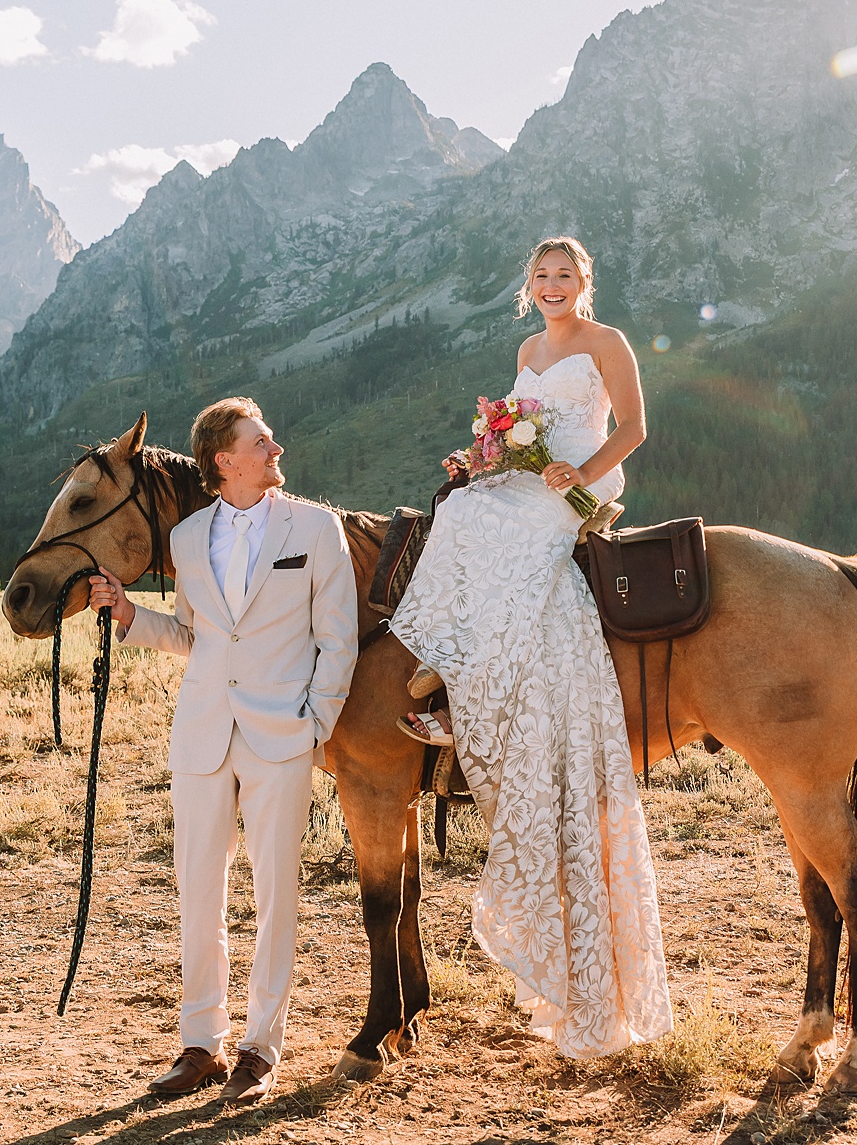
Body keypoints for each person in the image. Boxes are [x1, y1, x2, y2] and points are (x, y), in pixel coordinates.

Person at [388, 236, 674, 1059]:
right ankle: (452, 661)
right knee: (461, 509)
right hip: (528, 473)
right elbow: (515, 431)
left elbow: (636, 428)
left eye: (565, 276)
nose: (552, 286)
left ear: (585, 282)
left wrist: (575, 472)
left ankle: (469, 683)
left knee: (501, 529)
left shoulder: (605, 343)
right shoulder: (525, 349)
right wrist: (482, 453)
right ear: (530, 286)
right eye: (541, 277)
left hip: (582, 477)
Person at [86, 398, 357, 1106]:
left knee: (276, 894)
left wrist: (313, 722)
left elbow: (339, 638)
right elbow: (191, 635)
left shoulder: (316, 528)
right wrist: (126, 612)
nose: (276, 447)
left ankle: (260, 1049)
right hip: (203, 733)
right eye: (260, 440)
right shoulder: (187, 537)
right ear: (224, 461)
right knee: (197, 893)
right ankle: (200, 1044)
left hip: (282, 735)